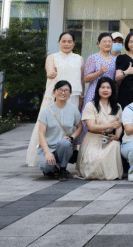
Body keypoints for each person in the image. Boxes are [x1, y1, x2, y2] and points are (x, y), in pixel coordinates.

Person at [27, 32, 84, 167]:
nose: (66, 44)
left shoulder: (79, 59)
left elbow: (81, 78)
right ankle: (47, 156)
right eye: (63, 41)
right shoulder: (52, 57)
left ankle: (62, 162)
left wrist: (82, 96)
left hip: (73, 97)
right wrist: (51, 73)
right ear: (59, 43)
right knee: (49, 127)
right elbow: (49, 71)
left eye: (69, 41)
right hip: (54, 97)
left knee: (68, 127)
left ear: (74, 43)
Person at [76, 77, 123, 180]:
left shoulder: (117, 106)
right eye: (102, 87)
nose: (105, 90)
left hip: (108, 140)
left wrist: (117, 136)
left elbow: (119, 125)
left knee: (115, 144)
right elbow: (91, 126)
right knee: (94, 165)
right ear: (98, 89)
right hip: (92, 139)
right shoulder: (90, 105)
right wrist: (110, 126)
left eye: (108, 88)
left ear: (112, 90)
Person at [37, 80, 83, 181]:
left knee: (64, 143)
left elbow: (80, 127)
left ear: (70, 93)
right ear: (54, 91)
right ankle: (52, 167)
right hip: (49, 147)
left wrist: (72, 137)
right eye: (60, 90)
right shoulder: (46, 111)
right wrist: (47, 152)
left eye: (66, 90)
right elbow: (41, 134)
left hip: (64, 147)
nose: (63, 92)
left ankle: (62, 169)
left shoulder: (73, 109)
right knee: (46, 166)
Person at [80, 32, 117, 143]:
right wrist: (99, 72)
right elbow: (86, 78)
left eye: (109, 41)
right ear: (99, 43)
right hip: (94, 92)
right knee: (90, 118)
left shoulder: (114, 59)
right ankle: (84, 145)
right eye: (104, 41)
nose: (107, 44)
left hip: (109, 93)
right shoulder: (93, 58)